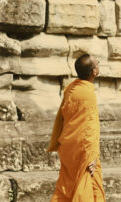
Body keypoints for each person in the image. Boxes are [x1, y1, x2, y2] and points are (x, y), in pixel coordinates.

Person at [47, 54, 105, 202]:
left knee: (66, 187)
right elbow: (90, 127)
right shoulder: (88, 95)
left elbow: (61, 118)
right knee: (87, 189)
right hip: (83, 151)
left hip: (68, 147)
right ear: (94, 72)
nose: (99, 64)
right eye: (97, 63)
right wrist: (92, 155)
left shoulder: (71, 89)